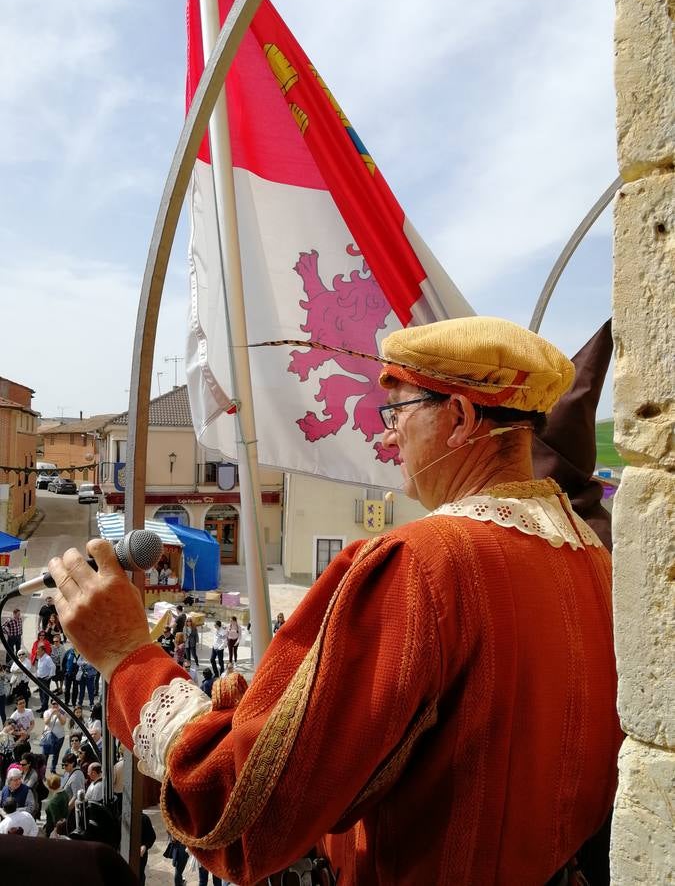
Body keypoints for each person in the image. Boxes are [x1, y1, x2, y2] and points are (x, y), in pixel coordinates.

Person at [47, 317, 622, 884]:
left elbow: (242, 813)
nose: (387, 435)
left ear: (462, 418)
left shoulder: (423, 564)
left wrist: (126, 654)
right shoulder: (593, 562)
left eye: (396, 412)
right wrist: (286, 716)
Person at [41, 699, 67, 774]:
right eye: (54, 703)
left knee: (56, 754)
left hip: (59, 737)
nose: (55, 705)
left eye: (57, 703)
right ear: (51, 704)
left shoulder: (62, 711)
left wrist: (58, 715)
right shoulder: (47, 712)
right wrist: (52, 714)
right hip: (48, 737)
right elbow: (46, 722)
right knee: (45, 755)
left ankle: (53, 769)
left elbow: (63, 723)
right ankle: (43, 772)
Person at [44, 772, 70, 837]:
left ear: (50, 786)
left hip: (53, 829)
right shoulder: (64, 793)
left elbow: (56, 819)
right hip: (64, 825)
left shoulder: (53, 802)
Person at [33, 643, 56, 713]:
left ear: (43, 651)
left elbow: (53, 667)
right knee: (41, 694)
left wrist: (50, 676)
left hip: (45, 679)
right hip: (40, 678)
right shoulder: (40, 657)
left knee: (45, 695)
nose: (37, 651)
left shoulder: (47, 658)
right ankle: (43, 707)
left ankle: (45, 710)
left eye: (38, 650)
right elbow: (40, 668)